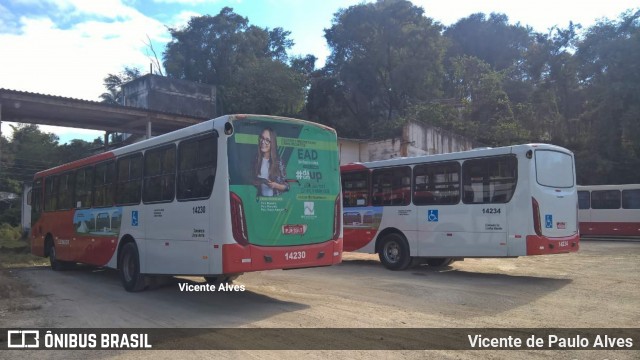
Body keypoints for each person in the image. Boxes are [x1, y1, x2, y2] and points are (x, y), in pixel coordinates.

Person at [253, 128, 289, 197]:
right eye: (262, 138)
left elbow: (287, 187)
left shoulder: (278, 162)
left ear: (272, 143)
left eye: (267, 140)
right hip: (259, 202)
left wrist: (275, 185)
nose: (263, 142)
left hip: (274, 202)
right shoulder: (256, 159)